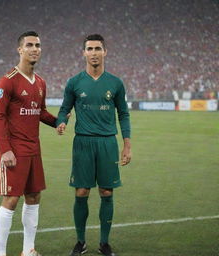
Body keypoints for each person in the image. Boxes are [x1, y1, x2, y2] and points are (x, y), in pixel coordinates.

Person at [56, 34, 131, 256]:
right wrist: (62, 122)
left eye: (98, 48)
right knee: (81, 192)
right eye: (90, 49)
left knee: (107, 192)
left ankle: (104, 243)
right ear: (84, 53)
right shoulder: (74, 82)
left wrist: (127, 145)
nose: (94, 52)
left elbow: (124, 114)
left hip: (108, 142)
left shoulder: (116, 83)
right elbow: (64, 109)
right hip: (83, 143)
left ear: (105, 52)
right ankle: (80, 242)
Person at [0, 31, 57, 256]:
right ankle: (1, 254)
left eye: (37, 45)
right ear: (20, 49)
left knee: (34, 196)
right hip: (15, 151)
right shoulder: (7, 81)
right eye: (29, 45)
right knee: (11, 199)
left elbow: (40, 112)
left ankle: (28, 250)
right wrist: (5, 150)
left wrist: (58, 122)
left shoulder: (40, 82)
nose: (34, 48)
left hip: (34, 150)